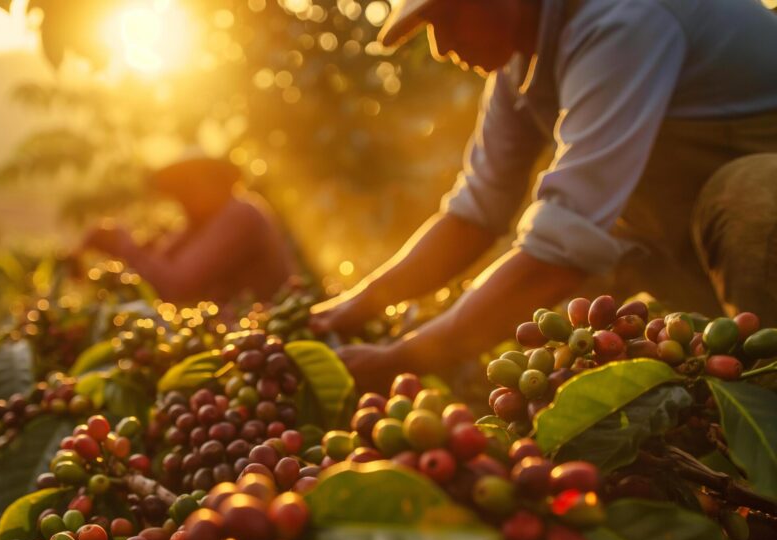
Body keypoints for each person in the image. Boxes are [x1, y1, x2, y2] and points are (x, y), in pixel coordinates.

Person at [311, 0, 777, 392]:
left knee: (745, 199)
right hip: (698, 244)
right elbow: (476, 212)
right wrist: (357, 305)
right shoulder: (519, 68)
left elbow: (558, 250)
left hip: (756, 210)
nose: (441, 47)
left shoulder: (618, 18)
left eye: (448, 17)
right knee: (577, 314)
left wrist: (403, 358)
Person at [77, 154, 297, 306]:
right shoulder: (197, 222)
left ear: (216, 180)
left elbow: (176, 286)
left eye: (187, 184)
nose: (180, 196)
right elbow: (160, 265)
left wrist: (122, 242)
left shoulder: (240, 214)